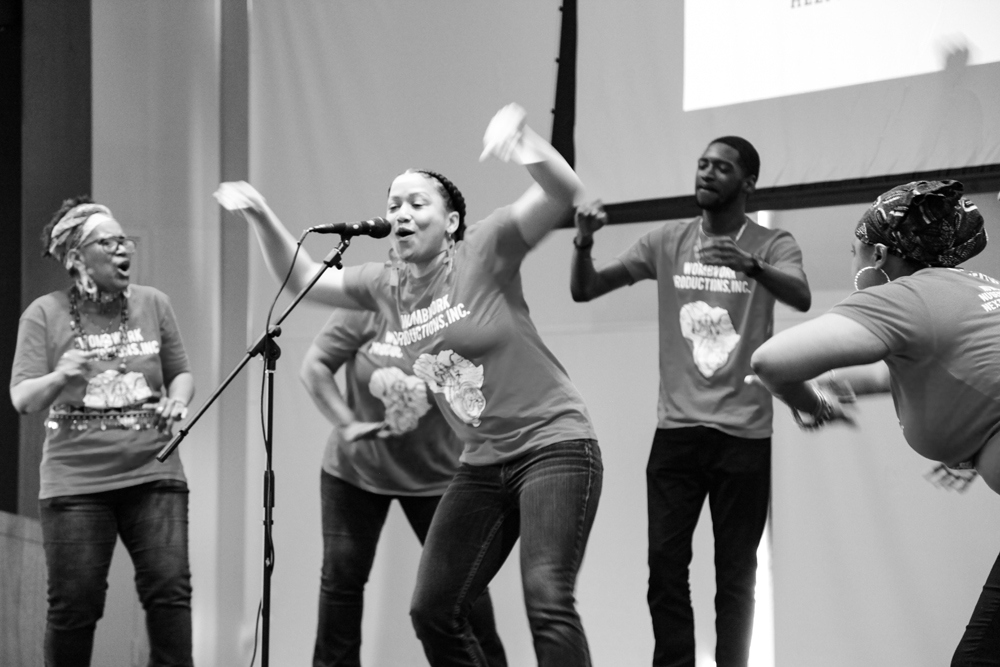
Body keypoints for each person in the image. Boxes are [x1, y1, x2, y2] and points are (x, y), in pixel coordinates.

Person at [215, 103, 602, 666]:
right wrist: (259, 212)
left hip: (554, 445)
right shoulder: (384, 287)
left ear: (449, 223)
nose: (400, 212)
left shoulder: (484, 251)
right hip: (482, 461)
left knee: (546, 597)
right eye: (393, 204)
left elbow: (562, 192)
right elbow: (300, 277)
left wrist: (523, 142)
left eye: (417, 203)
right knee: (433, 610)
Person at [571, 137, 811, 667]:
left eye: (722, 168)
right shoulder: (667, 239)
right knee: (664, 567)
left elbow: (800, 294)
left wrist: (750, 265)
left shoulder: (772, 243)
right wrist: (583, 244)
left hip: (744, 434)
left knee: (736, 576)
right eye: (702, 164)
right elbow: (585, 291)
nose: (706, 173)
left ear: (747, 182)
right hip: (676, 432)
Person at [750, 180, 1000, 666]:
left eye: (853, 250)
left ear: (878, 254)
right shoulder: (977, 289)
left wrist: (810, 401)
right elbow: (921, 369)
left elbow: (772, 362)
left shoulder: (902, 297)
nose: (852, 261)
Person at [11, 197, 195, 666]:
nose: (121, 250)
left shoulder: (154, 304)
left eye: (123, 240)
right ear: (76, 257)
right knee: (75, 607)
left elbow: (180, 372)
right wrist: (59, 377)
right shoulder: (43, 314)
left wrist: (178, 398)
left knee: (169, 595)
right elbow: (23, 399)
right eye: (108, 242)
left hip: (154, 473)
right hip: (76, 483)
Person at [301, 307, 506, 666]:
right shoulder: (365, 304)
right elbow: (314, 364)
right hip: (355, 473)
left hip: (440, 477)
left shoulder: (456, 308)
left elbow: (487, 383)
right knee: (341, 584)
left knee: (462, 593)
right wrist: (346, 423)